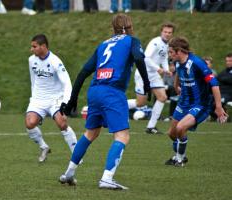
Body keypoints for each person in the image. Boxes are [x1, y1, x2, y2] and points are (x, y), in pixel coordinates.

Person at [58, 14, 150, 190]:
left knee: (90, 133)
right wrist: (147, 83)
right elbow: (138, 58)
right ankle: (107, 178)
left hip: (95, 92)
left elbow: (83, 73)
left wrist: (72, 100)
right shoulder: (132, 40)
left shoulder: (103, 45)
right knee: (122, 136)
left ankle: (69, 173)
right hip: (112, 92)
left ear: (113, 27)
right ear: (129, 25)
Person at [165, 36, 228, 167]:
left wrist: (218, 107)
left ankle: (179, 159)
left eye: (171, 52)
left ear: (179, 51)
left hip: (200, 104)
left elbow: (214, 84)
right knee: (172, 133)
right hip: (183, 102)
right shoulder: (178, 61)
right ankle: (179, 154)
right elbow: (178, 73)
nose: (169, 55)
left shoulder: (197, 63)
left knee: (181, 128)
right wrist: (176, 86)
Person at [25, 34, 78, 163]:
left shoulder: (55, 62)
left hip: (55, 99)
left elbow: (67, 83)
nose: (31, 49)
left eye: (34, 46)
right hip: (38, 99)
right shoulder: (31, 60)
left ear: (43, 46)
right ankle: (44, 147)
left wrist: (66, 104)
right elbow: (34, 80)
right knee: (29, 123)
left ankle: (77, 155)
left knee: (62, 123)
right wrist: (34, 99)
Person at [133, 22, 175, 134]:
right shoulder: (155, 42)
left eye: (169, 32)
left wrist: (166, 70)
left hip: (154, 75)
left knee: (162, 97)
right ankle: (114, 104)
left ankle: (151, 127)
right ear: (161, 31)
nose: (167, 34)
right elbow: (145, 58)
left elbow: (164, 58)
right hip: (143, 74)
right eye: (165, 32)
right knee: (140, 103)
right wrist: (158, 68)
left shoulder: (167, 45)